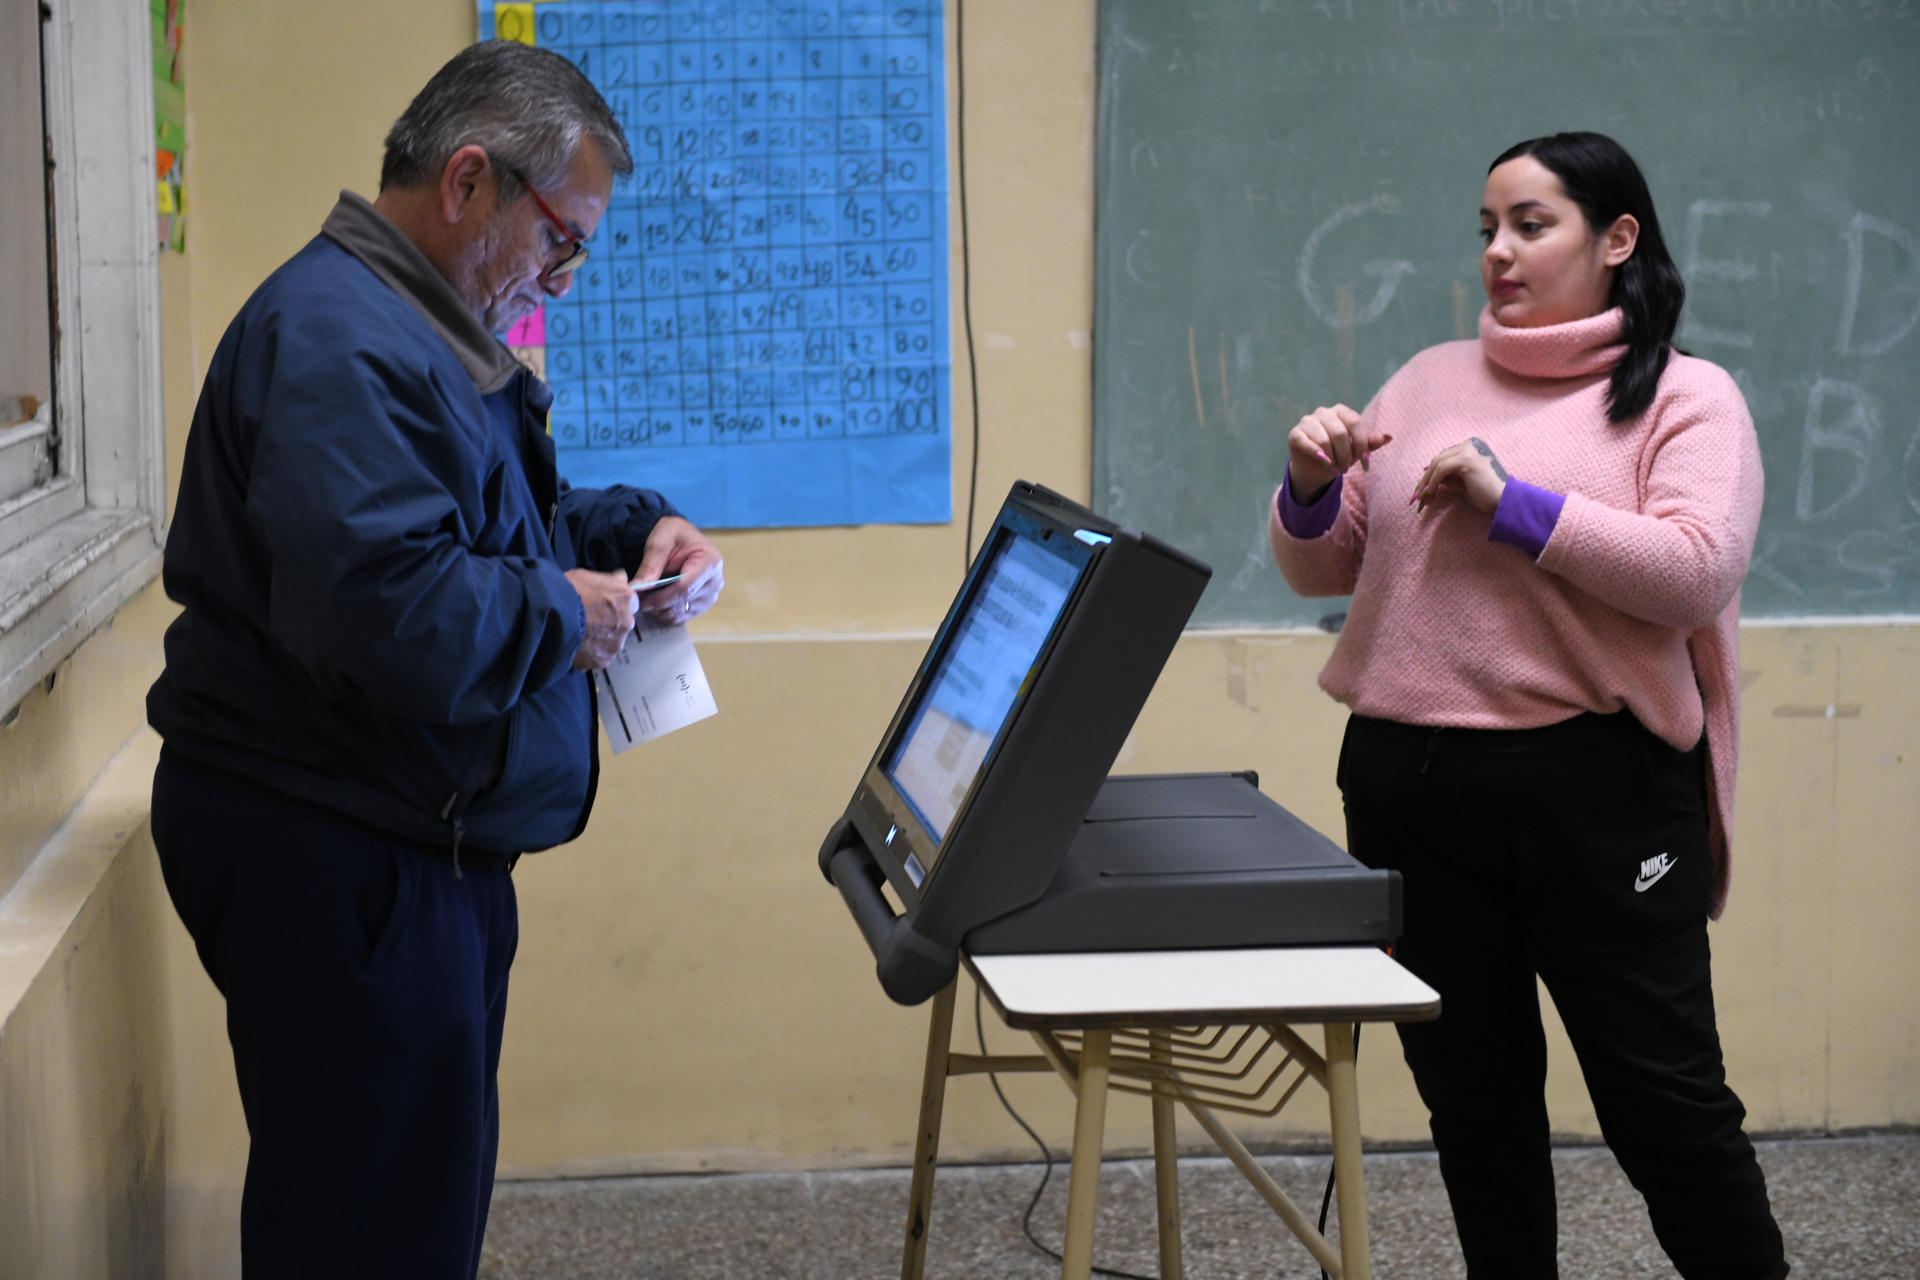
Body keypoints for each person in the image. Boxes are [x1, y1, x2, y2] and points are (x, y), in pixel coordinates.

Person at [146, 41, 723, 1278]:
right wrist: (568, 619)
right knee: (369, 1229)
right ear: (470, 181)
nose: (560, 279)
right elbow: (385, 611)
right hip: (339, 848)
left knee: (408, 1195)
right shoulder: (339, 343)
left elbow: (482, 534)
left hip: (397, 832)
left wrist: (629, 536)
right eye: (559, 240)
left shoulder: (413, 325)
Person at [1268, 132, 1788, 1278]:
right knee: (1476, 1110)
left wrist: (1522, 505)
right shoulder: (1427, 374)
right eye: (1487, 229)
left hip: (1595, 797)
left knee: (1666, 1110)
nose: (1498, 250)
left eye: (1530, 224)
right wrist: (1309, 487)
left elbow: (1696, 569)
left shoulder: (1689, 397)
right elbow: (1332, 565)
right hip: (1408, 785)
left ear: (1616, 239)